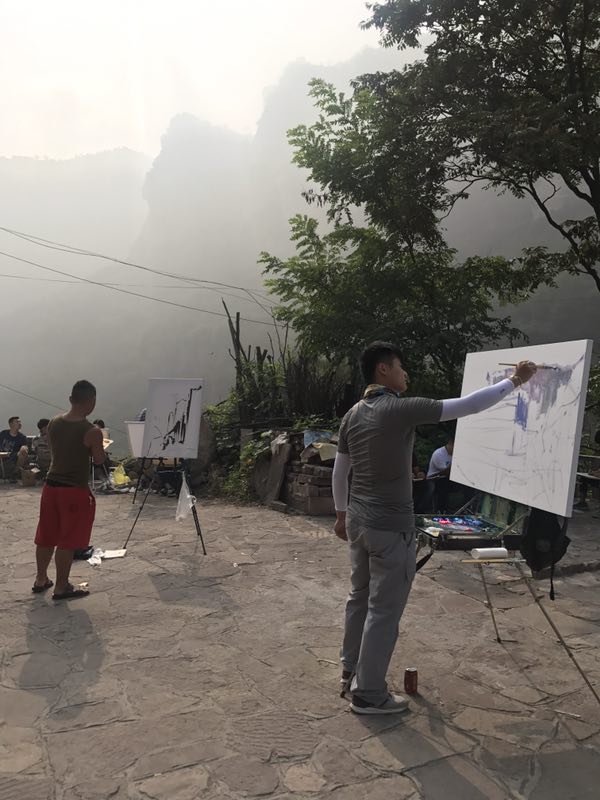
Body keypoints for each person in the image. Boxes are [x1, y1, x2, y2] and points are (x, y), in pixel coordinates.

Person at [332, 341, 537, 715]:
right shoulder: (399, 408)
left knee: (359, 596)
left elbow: (340, 470)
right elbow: (468, 405)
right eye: (400, 366)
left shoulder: (353, 415)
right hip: (389, 527)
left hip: (359, 522)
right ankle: (369, 694)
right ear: (383, 370)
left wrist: (341, 515)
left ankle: (350, 670)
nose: (405, 373)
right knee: (384, 609)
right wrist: (515, 380)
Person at [32, 380, 105, 600]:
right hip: (73, 490)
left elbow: (57, 450)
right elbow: (99, 459)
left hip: (50, 486)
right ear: (91, 402)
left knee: (46, 535)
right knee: (68, 539)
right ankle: (62, 586)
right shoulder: (91, 431)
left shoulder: (54, 422)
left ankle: (41, 579)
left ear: (71, 399)